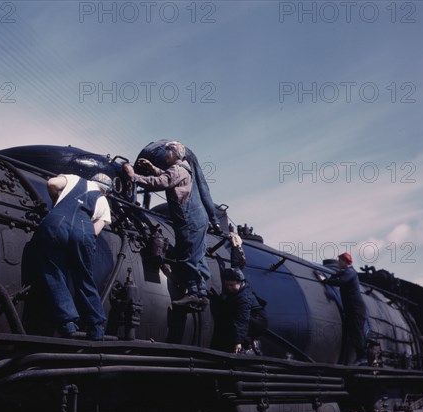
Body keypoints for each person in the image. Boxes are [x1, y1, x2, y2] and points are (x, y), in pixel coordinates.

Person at [123, 141, 209, 298]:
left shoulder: (177, 169)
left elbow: (161, 182)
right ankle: (201, 291)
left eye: (167, 151)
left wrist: (133, 177)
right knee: (198, 256)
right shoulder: (182, 168)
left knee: (186, 256)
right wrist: (152, 168)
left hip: (188, 219)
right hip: (197, 218)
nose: (165, 154)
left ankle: (194, 294)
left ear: (175, 154)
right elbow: (168, 176)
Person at [32, 173, 112, 340]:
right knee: (84, 278)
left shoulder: (75, 179)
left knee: (53, 271)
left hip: (55, 223)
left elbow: (52, 183)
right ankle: (96, 327)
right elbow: (95, 232)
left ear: (92, 179)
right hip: (83, 231)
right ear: (106, 191)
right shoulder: (103, 201)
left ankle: (68, 323)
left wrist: (56, 204)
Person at [317, 252, 367, 364]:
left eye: (340, 261)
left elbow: (340, 281)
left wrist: (325, 280)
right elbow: (338, 276)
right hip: (351, 307)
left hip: (356, 308)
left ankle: (363, 357)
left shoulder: (350, 272)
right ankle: (359, 356)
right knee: (353, 331)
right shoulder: (346, 272)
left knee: (357, 331)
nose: (338, 263)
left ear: (345, 262)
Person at [212, 268, 267, 354]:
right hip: (251, 317)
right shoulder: (240, 289)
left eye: (231, 285)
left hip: (256, 320)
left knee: (235, 326)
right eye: (227, 285)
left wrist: (238, 341)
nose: (229, 288)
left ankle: (249, 346)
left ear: (240, 282)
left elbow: (242, 320)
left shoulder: (243, 299)